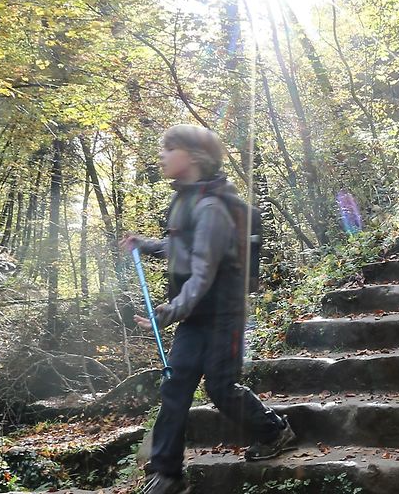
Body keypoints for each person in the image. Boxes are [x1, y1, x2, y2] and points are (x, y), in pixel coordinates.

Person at [122, 125, 294, 494]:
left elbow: (202, 273)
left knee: (219, 387)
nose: (162, 155)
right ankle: (167, 474)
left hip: (223, 317)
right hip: (195, 317)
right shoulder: (188, 199)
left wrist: (169, 311)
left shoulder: (213, 207)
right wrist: (147, 244)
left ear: (195, 157)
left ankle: (274, 430)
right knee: (176, 386)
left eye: (170, 149)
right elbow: (180, 246)